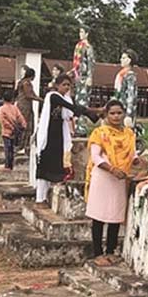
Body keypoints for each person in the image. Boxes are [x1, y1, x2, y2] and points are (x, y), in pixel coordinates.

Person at [85, 100, 144, 265]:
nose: (116, 116)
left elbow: (131, 155)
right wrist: (111, 169)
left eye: (119, 113)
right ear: (106, 115)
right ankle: (98, 253)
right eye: (112, 113)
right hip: (104, 176)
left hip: (120, 177)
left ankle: (110, 251)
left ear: (124, 114)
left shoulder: (129, 134)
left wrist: (138, 161)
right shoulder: (100, 133)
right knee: (99, 215)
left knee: (115, 214)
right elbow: (95, 156)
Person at [35, 74, 99, 205]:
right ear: (57, 85)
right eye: (64, 84)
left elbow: (75, 109)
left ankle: (50, 194)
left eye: (68, 85)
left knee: (57, 161)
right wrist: (96, 111)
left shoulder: (67, 98)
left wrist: (91, 113)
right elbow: (73, 108)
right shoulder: (53, 96)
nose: (66, 87)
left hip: (59, 134)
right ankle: (40, 198)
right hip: (48, 134)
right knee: (45, 163)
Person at [0, 91, 27, 170]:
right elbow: (20, 117)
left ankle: (7, 165)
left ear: (3, 99)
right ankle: (11, 165)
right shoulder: (15, 108)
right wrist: (23, 125)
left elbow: (3, 121)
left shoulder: (1, 109)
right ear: (12, 99)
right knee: (12, 149)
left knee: (7, 149)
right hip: (15, 131)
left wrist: (10, 127)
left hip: (7, 132)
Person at [15, 66, 41, 152]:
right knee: (25, 126)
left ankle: (23, 145)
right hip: (24, 106)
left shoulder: (23, 82)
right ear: (32, 75)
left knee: (27, 125)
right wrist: (40, 100)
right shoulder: (26, 83)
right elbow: (29, 95)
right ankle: (22, 145)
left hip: (24, 106)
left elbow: (33, 94)